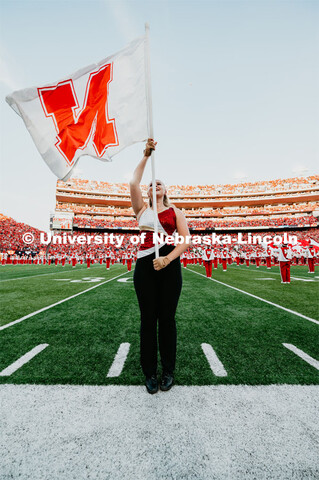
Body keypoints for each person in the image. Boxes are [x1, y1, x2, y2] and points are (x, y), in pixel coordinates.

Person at [130, 138, 190, 394]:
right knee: (147, 320)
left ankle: (168, 370)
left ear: (166, 190)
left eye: (160, 183)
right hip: (145, 265)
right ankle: (149, 372)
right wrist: (145, 155)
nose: (155, 185)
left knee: (167, 319)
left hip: (169, 265)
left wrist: (167, 258)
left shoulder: (176, 212)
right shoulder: (141, 209)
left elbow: (185, 240)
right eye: (152, 183)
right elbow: (133, 182)